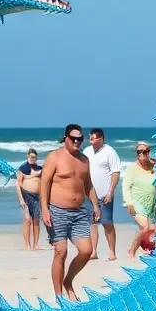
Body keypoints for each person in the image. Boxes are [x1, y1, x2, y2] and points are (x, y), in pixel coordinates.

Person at [40, 124, 99, 300]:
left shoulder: (84, 160)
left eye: (79, 138)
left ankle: (68, 282)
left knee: (86, 250)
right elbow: (44, 183)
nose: (76, 141)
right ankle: (60, 296)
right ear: (65, 138)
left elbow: (87, 185)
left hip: (79, 213)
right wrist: (44, 209)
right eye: (73, 138)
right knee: (61, 251)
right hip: (56, 211)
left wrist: (95, 205)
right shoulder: (54, 157)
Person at [84, 128, 121, 261]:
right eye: (90, 137)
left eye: (94, 137)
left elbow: (115, 172)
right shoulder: (87, 151)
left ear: (101, 138)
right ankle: (93, 251)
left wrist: (110, 192)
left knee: (107, 223)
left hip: (105, 195)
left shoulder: (109, 151)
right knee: (92, 223)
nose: (91, 140)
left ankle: (112, 251)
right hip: (89, 195)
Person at [121, 142, 156, 258]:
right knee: (144, 227)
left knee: (152, 229)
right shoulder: (133, 168)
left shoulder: (154, 165)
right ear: (136, 153)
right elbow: (126, 186)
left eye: (145, 151)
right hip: (137, 203)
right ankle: (131, 251)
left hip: (151, 202)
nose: (142, 154)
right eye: (139, 152)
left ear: (149, 152)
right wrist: (129, 203)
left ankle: (145, 245)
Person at [16, 149, 44, 251]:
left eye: (35, 157)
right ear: (28, 156)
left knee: (36, 220)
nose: (33, 159)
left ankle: (35, 244)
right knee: (28, 220)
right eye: (31, 157)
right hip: (26, 195)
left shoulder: (39, 169)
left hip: (37, 197)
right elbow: (18, 185)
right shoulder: (22, 169)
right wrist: (21, 200)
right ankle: (27, 245)